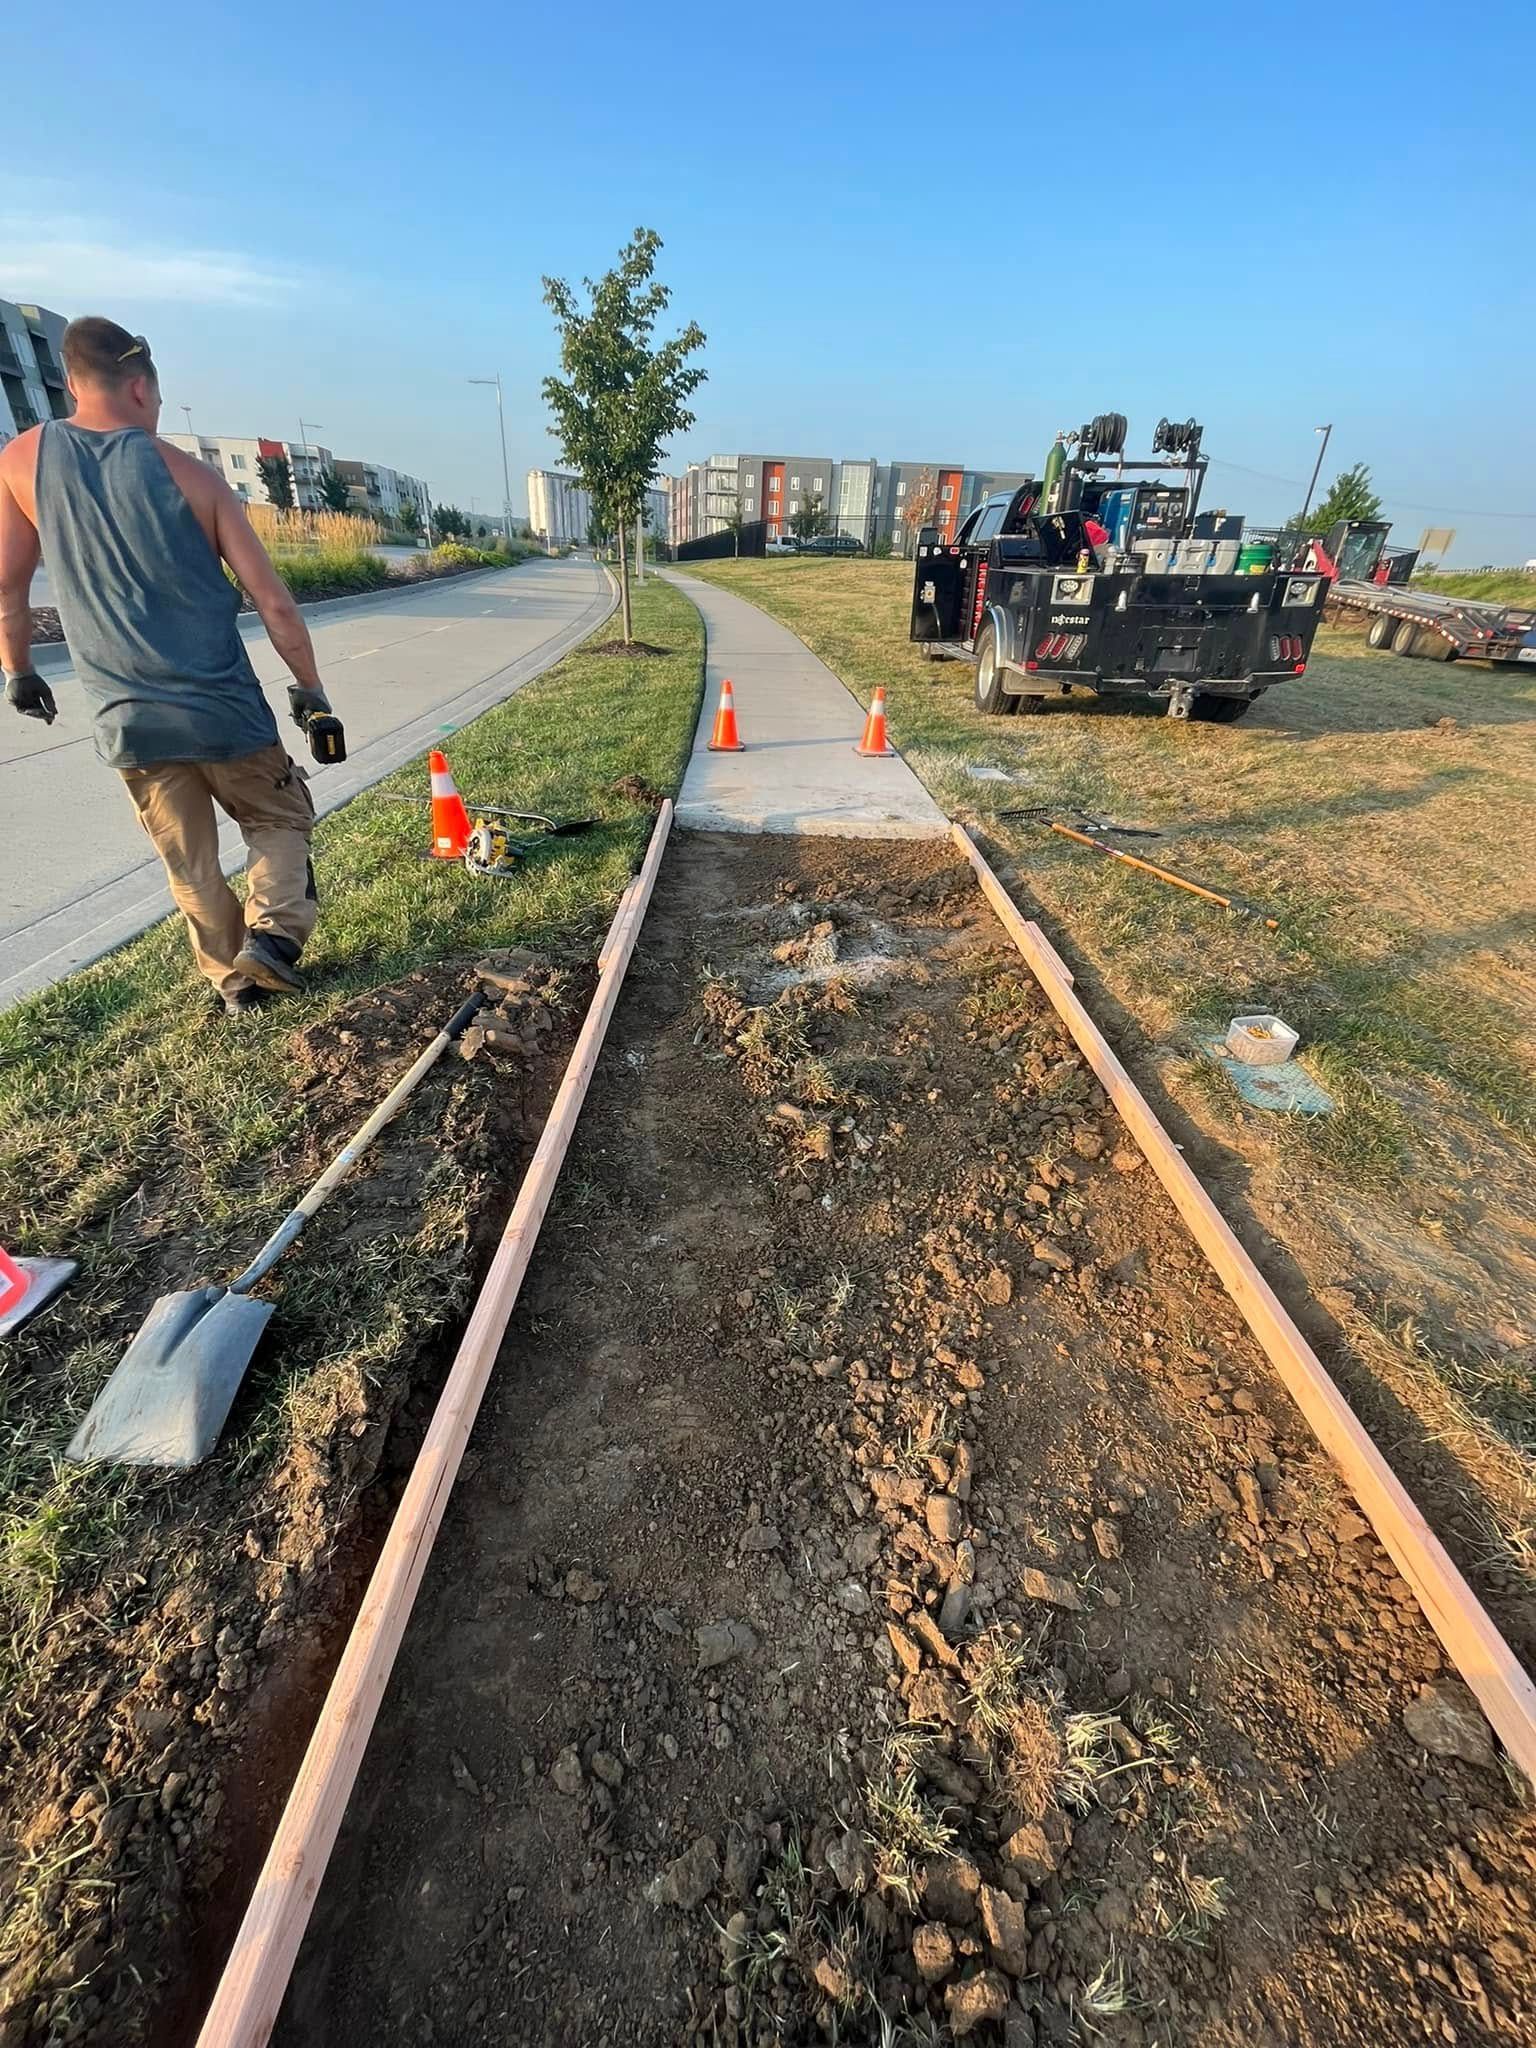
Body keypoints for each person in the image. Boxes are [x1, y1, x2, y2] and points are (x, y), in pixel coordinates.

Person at [0, 317, 335, 1016]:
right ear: (141, 385)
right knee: (279, 820)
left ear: (69, 381)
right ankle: (272, 941)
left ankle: (236, 986)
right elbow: (273, 603)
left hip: (131, 722)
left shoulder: (20, 462)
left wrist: (19, 670)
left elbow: (7, 586)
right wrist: (310, 690)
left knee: (190, 863)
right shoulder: (194, 478)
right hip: (225, 710)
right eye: (154, 397)